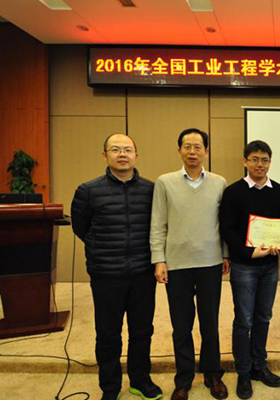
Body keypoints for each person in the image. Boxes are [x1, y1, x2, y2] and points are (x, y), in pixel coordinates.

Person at [71, 133, 162, 400]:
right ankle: (110, 388)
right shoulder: (88, 190)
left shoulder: (151, 189)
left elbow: (158, 227)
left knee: (142, 331)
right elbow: (81, 227)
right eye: (115, 149)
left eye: (127, 150)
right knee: (108, 334)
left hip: (142, 273)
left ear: (136, 155)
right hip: (106, 275)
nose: (122, 154)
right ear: (105, 155)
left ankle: (140, 381)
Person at [150, 128, 229, 400]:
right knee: (181, 326)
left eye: (198, 147)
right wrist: (159, 259)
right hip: (177, 265)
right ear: (179, 150)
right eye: (187, 146)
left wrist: (225, 254)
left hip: (210, 262)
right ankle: (183, 380)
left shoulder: (219, 182)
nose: (192, 151)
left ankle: (213, 374)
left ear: (206, 151)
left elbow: (224, 223)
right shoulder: (165, 182)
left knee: (210, 323)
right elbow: (158, 223)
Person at [219, 141, 280, 399]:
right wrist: (249, 252)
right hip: (244, 265)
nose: (260, 164)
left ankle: (259, 365)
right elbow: (227, 229)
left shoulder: (278, 190)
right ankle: (244, 371)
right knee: (244, 320)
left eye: (265, 160)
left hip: (270, 265)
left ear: (270, 162)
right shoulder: (233, 192)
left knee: (264, 317)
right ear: (245, 161)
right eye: (255, 159)